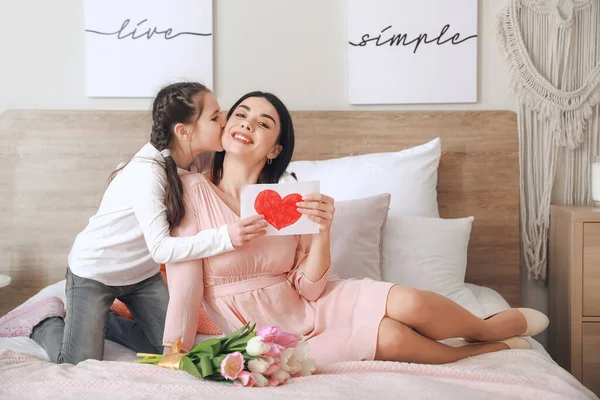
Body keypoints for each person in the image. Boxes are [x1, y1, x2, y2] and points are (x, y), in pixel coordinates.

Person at [163, 90, 549, 365]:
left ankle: (484, 329)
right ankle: (476, 351)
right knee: (393, 337)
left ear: (275, 149)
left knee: (410, 302)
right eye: (241, 114)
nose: (247, 124)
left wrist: (323, 230)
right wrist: (173, 351)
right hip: (254, 330)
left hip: (311, 303)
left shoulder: (287, 201)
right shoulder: (188, 192)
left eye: (263, 123)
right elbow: (183, 282)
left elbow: (310, 287)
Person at [0, 82, 269, 364]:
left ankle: (106, 322)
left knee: (169, 349)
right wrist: (225, 237)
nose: (224, 122)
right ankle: (45, 322)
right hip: (96, 272)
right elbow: (162, 250)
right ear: (184, 130)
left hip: (141, 276)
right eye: (215, 117)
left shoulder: (194, 162)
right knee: (77, 362)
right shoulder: (147, 173)